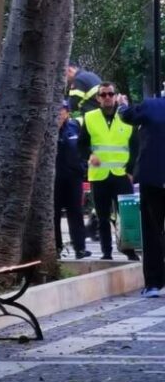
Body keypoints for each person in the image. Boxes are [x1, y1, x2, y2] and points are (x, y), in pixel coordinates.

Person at [78, 82, 139, 262]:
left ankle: (129, 250)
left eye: (110, 94)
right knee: (103, 217)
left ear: (115, 95)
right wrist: (89, 156)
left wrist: (130, 170)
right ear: (98, 98)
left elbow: (135, 146)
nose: (107, 98)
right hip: (99, 175)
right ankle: (107, 252)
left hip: (121, 175)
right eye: (103, 95)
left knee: (126, 216)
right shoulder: (90, 117)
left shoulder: (126, 116)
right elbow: (81, 145)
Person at [117, 96, 165, 297]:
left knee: (152, 230)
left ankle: (154, 283)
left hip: (153, 177)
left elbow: (128, 115)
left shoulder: (152, 105)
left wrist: (122, 105)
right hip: (153, 177)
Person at [55, 99, 90, 260]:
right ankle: (56, 248)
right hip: (54, 180)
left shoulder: (74, 127)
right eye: (57, 109)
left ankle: (80, 248)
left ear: (68, 112)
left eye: (63, 110)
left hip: (73, 178)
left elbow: (83, 147)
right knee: (53, 215)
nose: (60, 112)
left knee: (75, 213)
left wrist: (82, 167)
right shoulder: (48, 130)